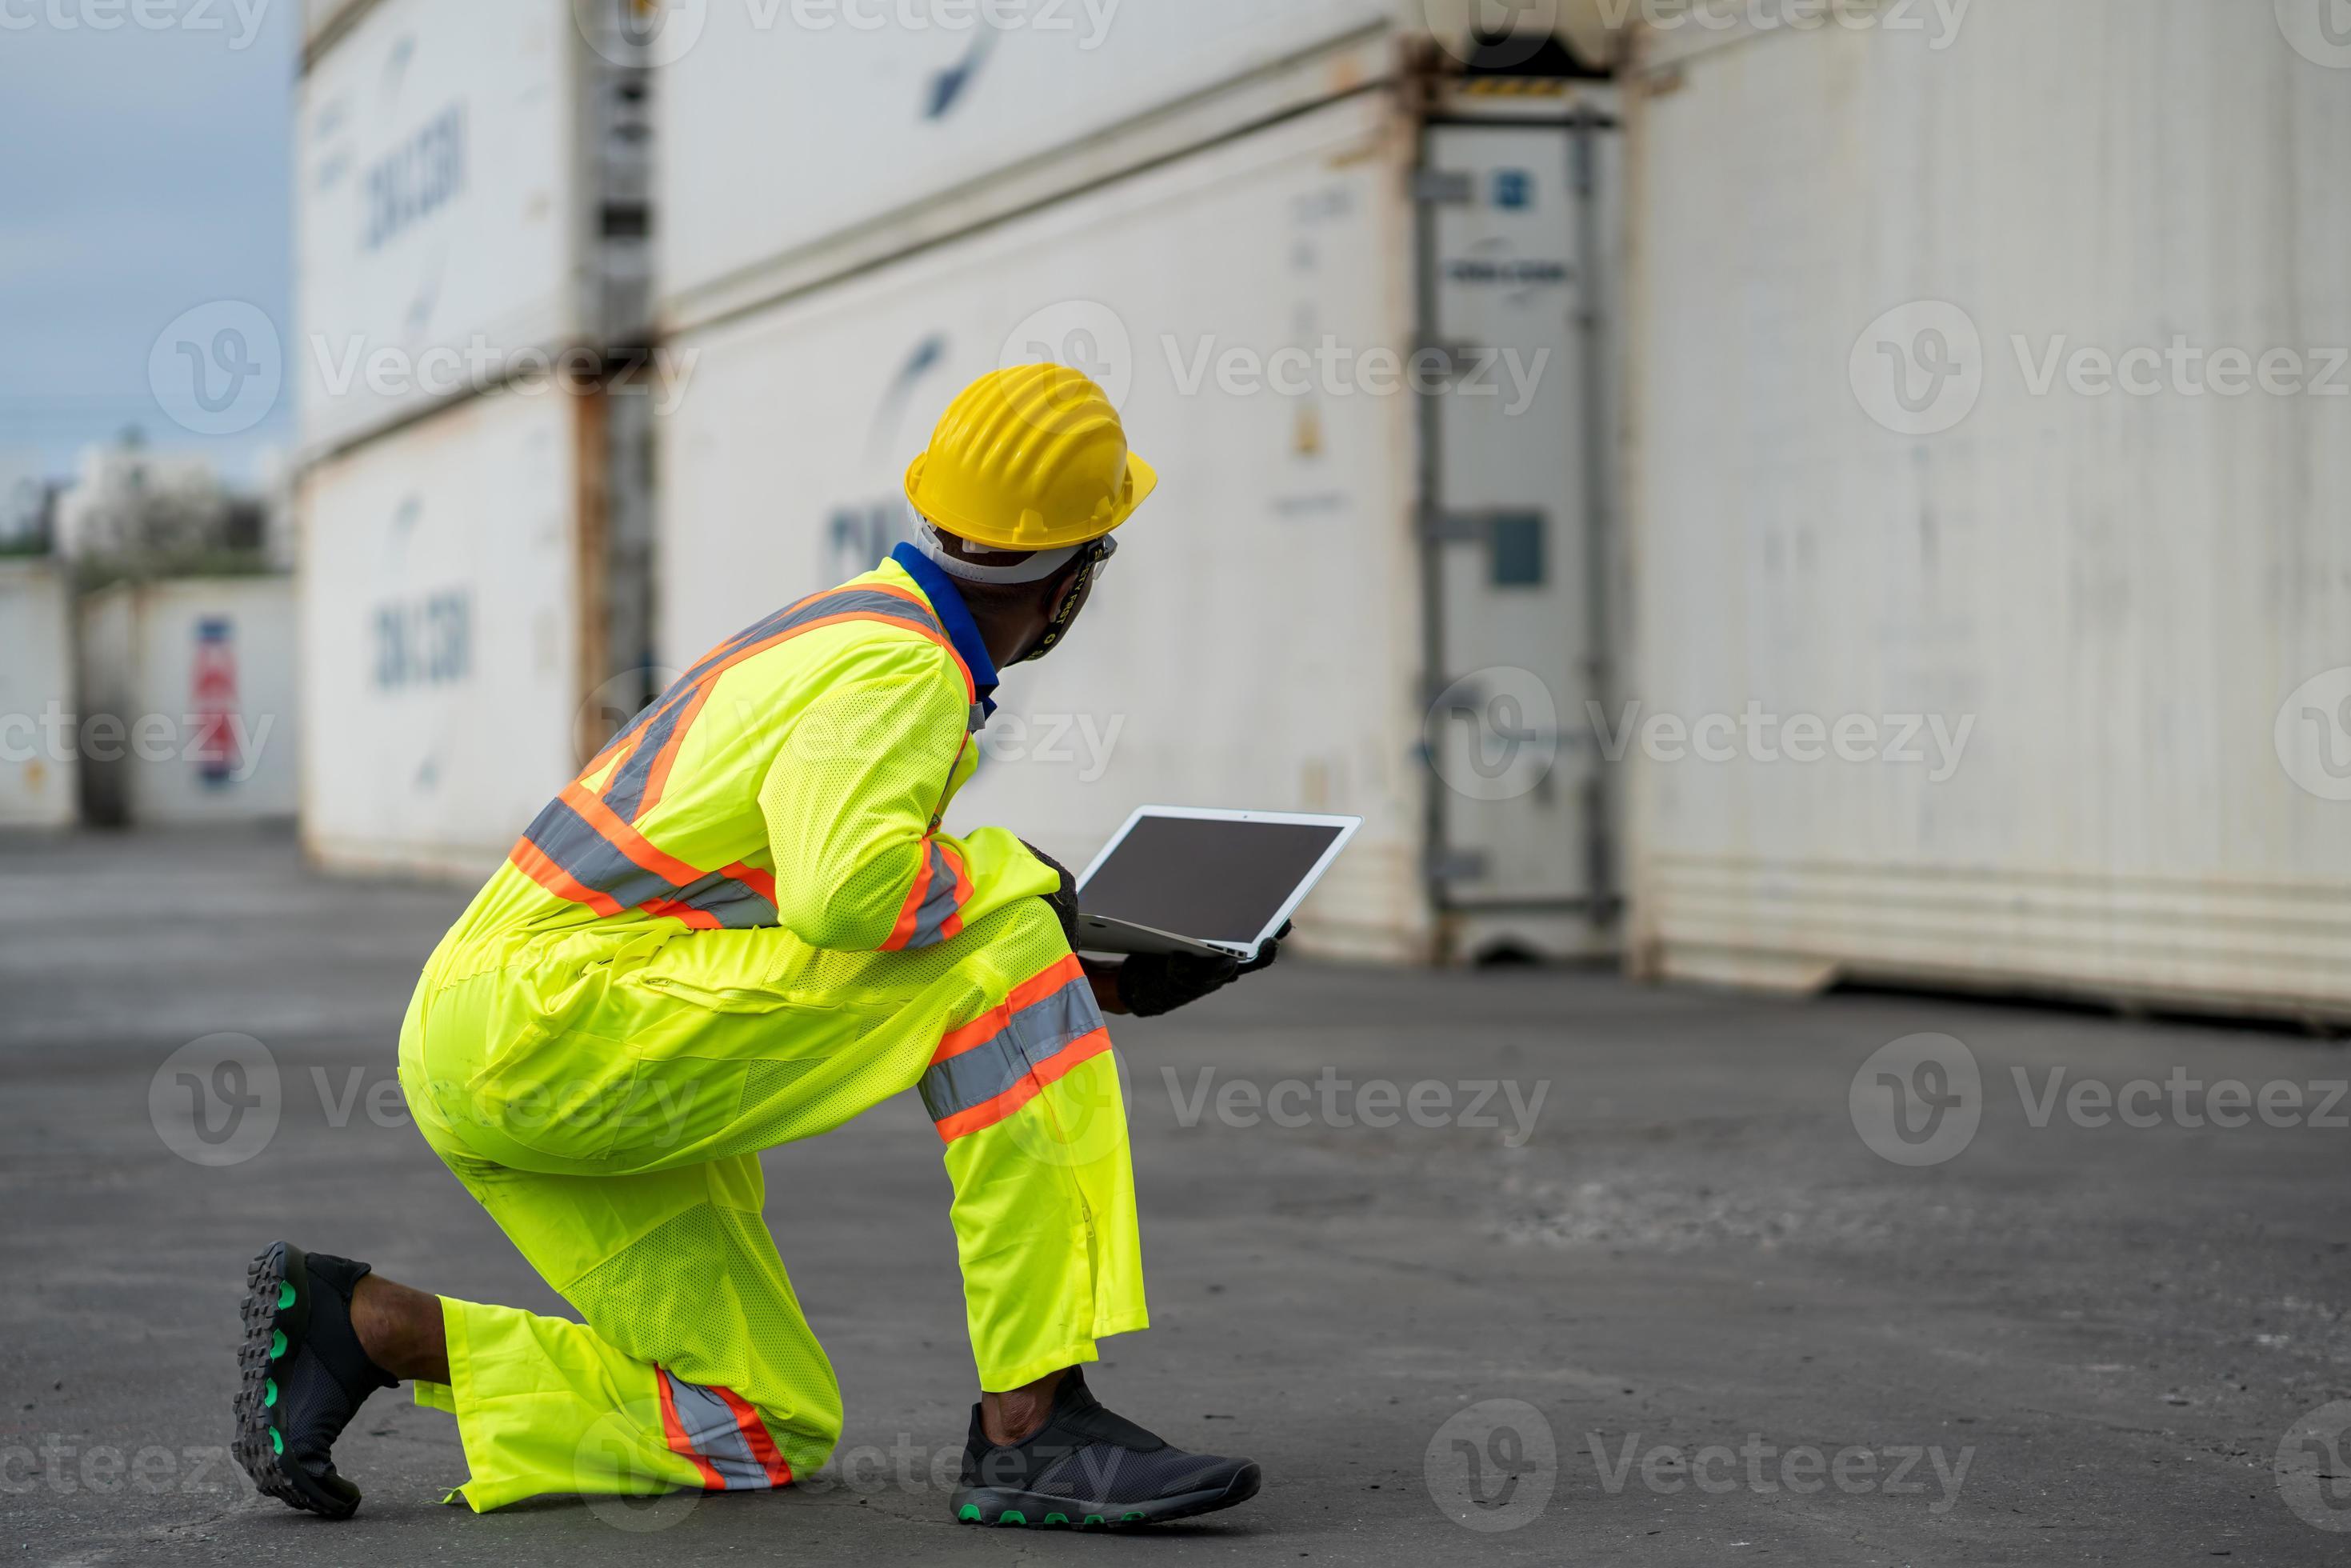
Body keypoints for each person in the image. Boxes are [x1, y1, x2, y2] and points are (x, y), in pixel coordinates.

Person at [233, 363, 1279, 1530]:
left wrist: (1104, 982)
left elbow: (815, 917)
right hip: (563, 1021)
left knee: (760, 1420)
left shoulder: (846, 632)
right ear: (1075, 577)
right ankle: (1033, 1427)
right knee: (1011, 953)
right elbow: (848, 900)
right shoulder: (901, 667)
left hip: (517, 1035)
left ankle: (365, 1328)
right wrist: (1034, 888)